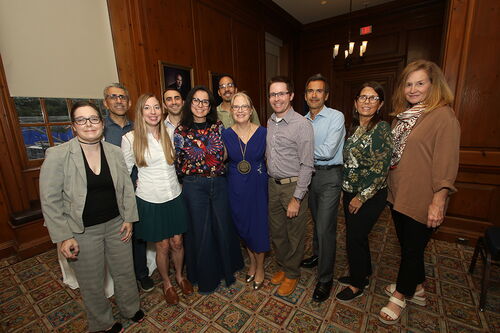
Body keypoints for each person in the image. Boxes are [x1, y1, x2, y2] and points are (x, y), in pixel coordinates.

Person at [40, 101, 143, 333]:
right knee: (92, 282)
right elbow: (50, 200)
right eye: (81, 120)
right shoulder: (58, 155)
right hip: (81, 231)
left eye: (94, 119)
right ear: (73, 126)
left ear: (102, 123)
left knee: (125, 272)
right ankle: (102, 323)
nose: (89, 124)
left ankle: (130, 308)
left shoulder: (114, 152)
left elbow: (126, 188)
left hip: (117, 224)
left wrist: (128, 219)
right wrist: (64, 237)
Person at [379, 60, 460, 324]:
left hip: (423, 198)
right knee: (408, 246)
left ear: (433, 85)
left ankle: (401, 294)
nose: (413, 89)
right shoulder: (406, 117)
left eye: (420, 83)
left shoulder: (443, 116)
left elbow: (446, 164)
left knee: (412, 249)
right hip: (399, 194)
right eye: (409, 84)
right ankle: (418, 288)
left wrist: (439, 201)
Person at [121, 94, 192, 305]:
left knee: (177, 242)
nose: (153, 112)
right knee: (162, 246)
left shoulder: (171, 132)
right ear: (140, 112)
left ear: (161, 111)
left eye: (156, 108)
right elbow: (125, 174)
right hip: (150, 199)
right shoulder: (130, 139)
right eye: (147, 108)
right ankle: (167, 283)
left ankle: (180, 276)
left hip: (174, 195)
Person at [174, 86, 244, 293]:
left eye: (205, 101)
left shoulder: (218, 126)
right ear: (189, 103)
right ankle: (205, 278)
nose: (201, 105)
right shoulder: (180, 130)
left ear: (210, 106)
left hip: (219, 183)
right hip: (194, 186)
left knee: (222, 228)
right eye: (196, 100)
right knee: (201, 232)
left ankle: (226, 271)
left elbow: (225, 154)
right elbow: (178, 162)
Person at [335, 82, 393, 302]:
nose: (367, 102)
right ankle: (363, 273)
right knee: (357, 237)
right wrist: (346, 190)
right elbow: (348, 163)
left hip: (370, 195)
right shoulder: (353, 127)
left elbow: (381, 168)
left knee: (354, 238)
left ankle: (357, 284)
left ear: (380, 104)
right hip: (351, 192)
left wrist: (361, 196)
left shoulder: (382, 128)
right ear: (355, 102)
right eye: (363, 97)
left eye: (373, 98)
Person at [102, 83, 155, 293]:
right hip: (111, 190)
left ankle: (141, 273)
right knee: (118, 237)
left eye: (122, 97)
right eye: (113, 97)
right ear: (106, 102)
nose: (118, 101)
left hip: (136, 189)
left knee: (136, 234)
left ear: (130, 102)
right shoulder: (101, 129)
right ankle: (122, 280)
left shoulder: (137, 128)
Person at [266, 76, 314, 296]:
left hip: (292, 186)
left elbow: (307, 164)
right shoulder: (269, 122)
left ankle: (293, 274)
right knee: (277, 233)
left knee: (294, 233)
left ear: (291, 95)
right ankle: (284, 267)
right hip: (272, 186)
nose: (277, 99)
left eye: (281, 93)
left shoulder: (302, 124)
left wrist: (297, 197)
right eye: (273, 94)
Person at [301, 74, 345, 302]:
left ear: (326, 95)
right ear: (305, 95)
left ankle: (326, 278)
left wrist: (299, 152)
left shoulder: (336, 117)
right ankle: (318, 256)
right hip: (310, 175)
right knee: (316, 220)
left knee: (325, 227)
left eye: (319, 91)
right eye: (310, 91)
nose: (314, 95)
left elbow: (328, 151)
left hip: (330, 176)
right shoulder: (302, 120)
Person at [221, 92, 270, 290]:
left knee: (258, 227)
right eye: (236, 107)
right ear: (231, 111)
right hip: (235, 187)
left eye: (244, 106)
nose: (240, 110)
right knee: (243, 227)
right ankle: (251, 261)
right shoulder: (225, 134)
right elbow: (220, 157)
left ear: (251, 110)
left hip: (257, 186)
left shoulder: (264, 133)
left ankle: (260, 267)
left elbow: (272, 159)